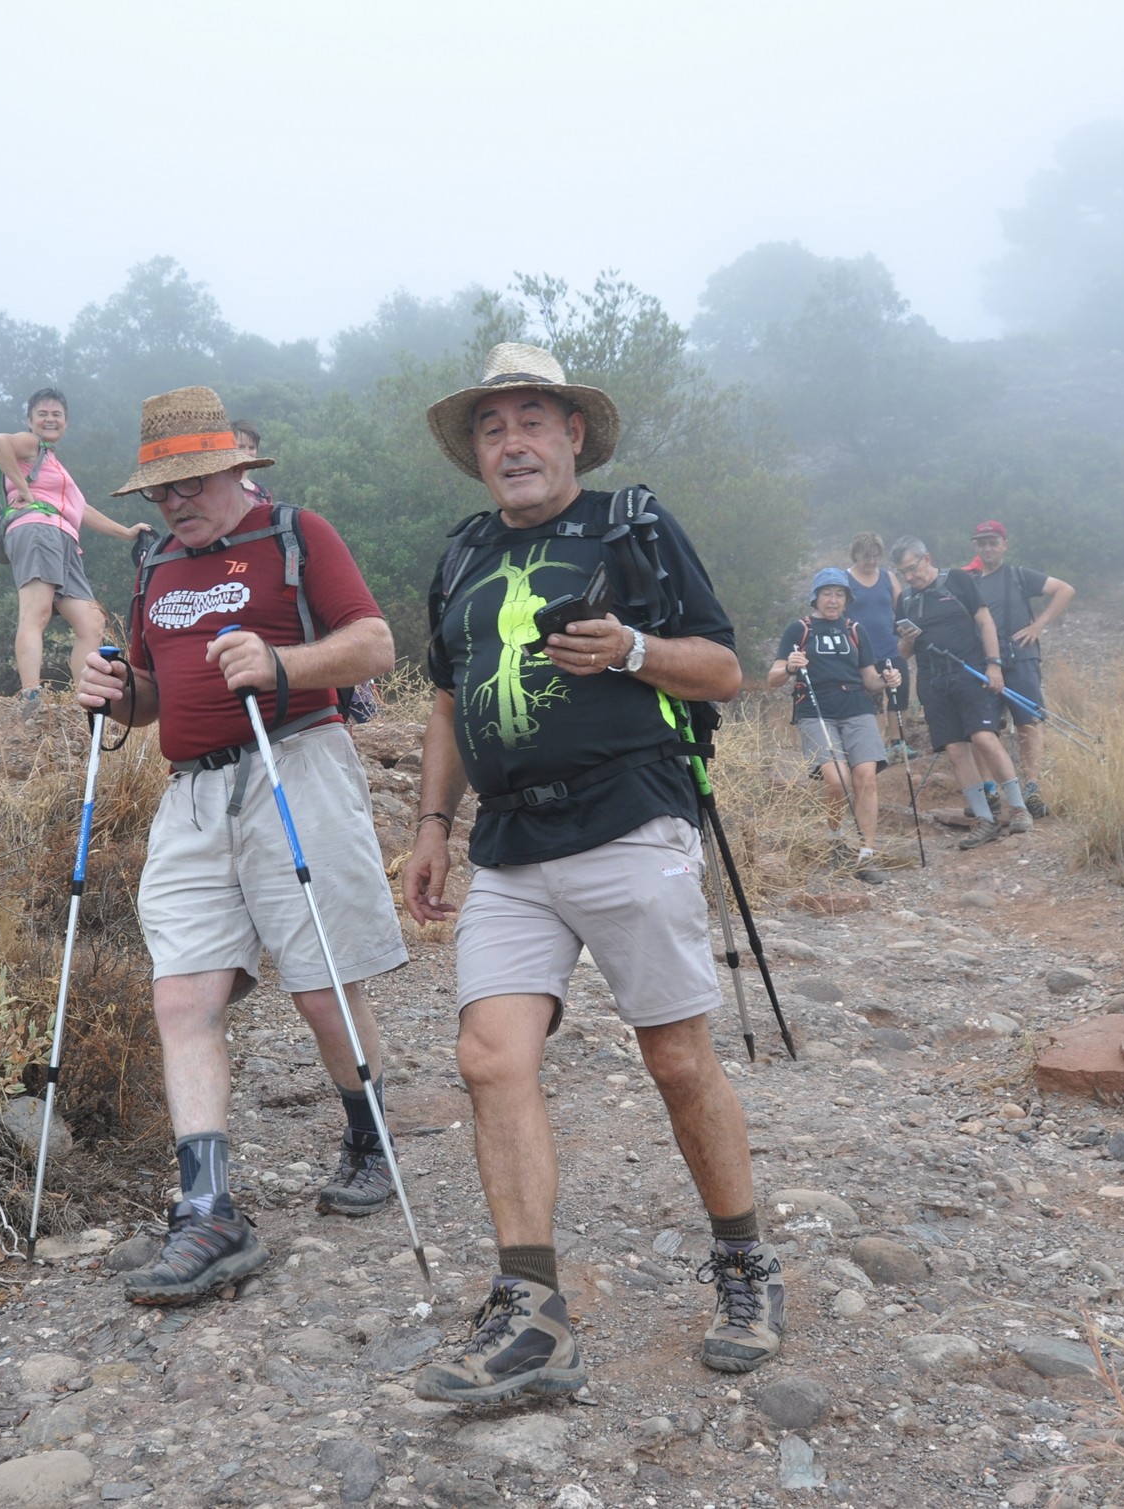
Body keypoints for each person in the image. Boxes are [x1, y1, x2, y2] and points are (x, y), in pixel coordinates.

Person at [402, 343, 784, 1406]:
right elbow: (447, 700)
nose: (512, 442)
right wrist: (431, 824)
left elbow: (724, 669)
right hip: (509, 845)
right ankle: (532, 1315)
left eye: (533, 420)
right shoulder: (463, 553)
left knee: (675, 1059)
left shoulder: (632, 527)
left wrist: (629, 650)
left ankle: (745, 1264)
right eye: (492, 427)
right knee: (490, 1058)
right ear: (476, 452)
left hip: (628, 819)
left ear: (573, 434)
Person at [73, 386, 407, 1305]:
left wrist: (282, 662)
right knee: (182, 992)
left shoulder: (297, 534)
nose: (174, 502)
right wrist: (117, 691)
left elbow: (374, 644)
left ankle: (370, 1136)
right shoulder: (153, 565)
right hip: (191, 792)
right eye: (160, 491)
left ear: (235, 470)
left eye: (191, 483)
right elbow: (153, 696)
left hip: (295, 762)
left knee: (322, 981)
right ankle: (208, 1209)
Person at [0, 388, 151, 718]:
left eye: (57, 414)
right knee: (36, 612)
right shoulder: (30, 444)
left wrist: (126, 532)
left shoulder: (54, 464)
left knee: (91, 621)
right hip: (37, 530)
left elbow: (82, 509)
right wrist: (23, 487)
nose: (50, 419)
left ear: (66, 421)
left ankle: (85, 699)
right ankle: (30, 696)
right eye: (42, 413)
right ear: (30, 420)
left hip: (65, 541)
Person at [889, 535, 1031, 850]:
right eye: (903, 572)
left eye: (912, 568)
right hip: (932, 681)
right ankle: (984, 819)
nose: (909, 577)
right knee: (955, 750)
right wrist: (908, 640)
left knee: (983, 737)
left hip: (970, 672)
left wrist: (994, 665)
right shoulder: (906, 599)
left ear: (927, 558)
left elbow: (985, 621)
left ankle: (1018, 807)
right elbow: (903, 652)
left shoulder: (956, 580)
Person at [767, 568, 896, 882]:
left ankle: (866, 854)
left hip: (857, 707)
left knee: (866, 777)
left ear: (847, 599)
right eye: (827, 594)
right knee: (837, 780)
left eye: (839, 594)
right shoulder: (799, 630)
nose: (833, 600)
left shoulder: (856, 630)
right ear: (815, 597)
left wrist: (888, 680)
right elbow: (773, 678)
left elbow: (870, 680)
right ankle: (835, 839)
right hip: (815, 710)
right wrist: (790, 667)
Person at [965, 520, 1074, 817]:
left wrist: (1039, 625)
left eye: (993, 542)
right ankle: (990, 792)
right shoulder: (969, 582)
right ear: (976, 546)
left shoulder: (1019, 575)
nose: (988, 548)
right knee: (981, 728)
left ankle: (1032, 788)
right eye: (982, 543)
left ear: (1005, 545)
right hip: (983, 663)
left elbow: (1065, 589)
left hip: (1021, 657)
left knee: (1028, 722)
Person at [844, 532, 910, 759]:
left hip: (891, 647)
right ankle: (878, 746)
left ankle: (898, 743)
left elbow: (902, 609)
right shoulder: (845, 580)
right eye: (866, 557)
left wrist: (906, 635)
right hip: (860, 652)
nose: (871, 561)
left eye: (875, 556)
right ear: (856, 555)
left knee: (899, 693)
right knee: (873, 700)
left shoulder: (887, 577)